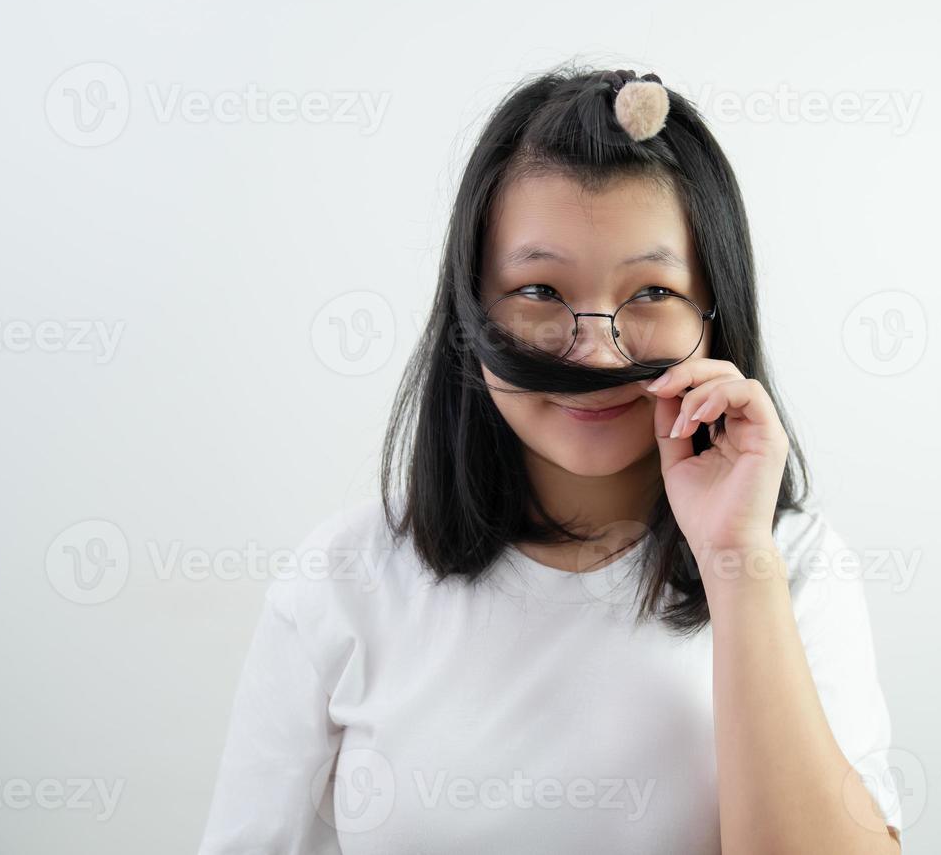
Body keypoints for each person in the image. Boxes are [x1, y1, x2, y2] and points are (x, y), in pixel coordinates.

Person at [197, 65, 904, 853]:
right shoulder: (344, 579)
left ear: (716, 312)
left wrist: (738, 557)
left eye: (651, 294)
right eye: (539, 291)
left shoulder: (797, 569)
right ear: (470, 310)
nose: (597, 354)